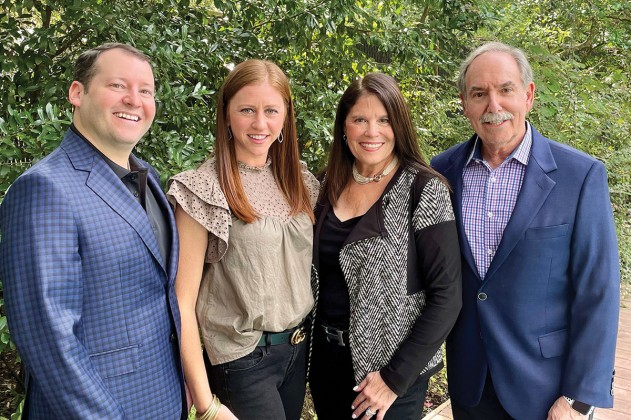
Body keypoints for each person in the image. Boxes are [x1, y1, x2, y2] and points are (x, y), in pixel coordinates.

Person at [431, 42, 620, 419]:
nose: (493, 106)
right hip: (471, 384)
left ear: (528, 95)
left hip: (548, 392)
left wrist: (578, 399)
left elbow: (598, 292)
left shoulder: (579, 176)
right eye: (479, 94)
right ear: (464, 102)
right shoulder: (443, 171)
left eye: (505, 90)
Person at [0, 43, 185, 418]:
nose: (135, 100)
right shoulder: (44, 189)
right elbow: (48, 340)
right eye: (118, 85)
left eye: (146, 91)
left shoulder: (146, 179)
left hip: (161, 399)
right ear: (77, 93)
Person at [167, 59, 319, 420]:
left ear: (285, 116)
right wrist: (205, 405)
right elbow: (181, 302)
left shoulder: (299, 181)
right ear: (226, 115)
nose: (260, 123)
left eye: (271, 110)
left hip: (297, 351)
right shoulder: (202, 189)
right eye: (246, 110)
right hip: (242, 360)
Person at [309, 72, 462, 420]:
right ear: (343, 127)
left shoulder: (424, 190)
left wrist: (394, 380)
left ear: (399, 126)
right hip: (326, 366)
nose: (371, 131)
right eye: (359, 119)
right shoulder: (323, 186)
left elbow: (448, 296)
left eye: (384, 120)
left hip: (388, 379)